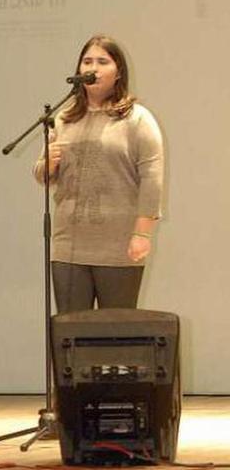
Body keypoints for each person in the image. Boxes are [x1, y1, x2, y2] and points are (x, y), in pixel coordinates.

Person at [34, 35, 164, 314]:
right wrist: (47, 166)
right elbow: (43, 173)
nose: (92, 67)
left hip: (118, 246)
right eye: (87, 61)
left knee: (115, 335)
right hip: (68, 245)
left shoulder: (137, 119)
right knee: (72, 338)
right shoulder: (64, 118)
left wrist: (143, 234)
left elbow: (152, 179)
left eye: (102, 61)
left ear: (118, 72)